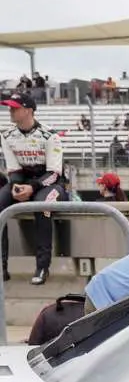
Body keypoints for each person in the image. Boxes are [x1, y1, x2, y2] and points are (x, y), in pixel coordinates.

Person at [0, 92, 66, 284]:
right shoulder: (7, 135)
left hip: (51, 183)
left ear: (28, 110)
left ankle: (42, 267)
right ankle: (2, 268)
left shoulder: (50, 136)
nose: (10, 110)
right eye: (9, 107)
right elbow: (14, 169)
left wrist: (31, 187)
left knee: (42, 206)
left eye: (15, 107)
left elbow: (54, 173)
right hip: (23, 180)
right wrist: (16, 186)